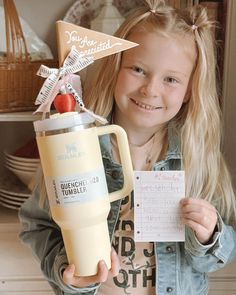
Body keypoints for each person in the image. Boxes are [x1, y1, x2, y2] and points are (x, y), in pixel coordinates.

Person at [19, 0, 236, 294]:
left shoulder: (196, 157)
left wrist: (210, 236)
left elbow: (218, 256)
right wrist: (66, 272)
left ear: (189, 91)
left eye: (171, 79)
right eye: (138, 69)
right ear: (115, 67)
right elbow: (38, 225)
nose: (150, 89)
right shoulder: (75, 149)